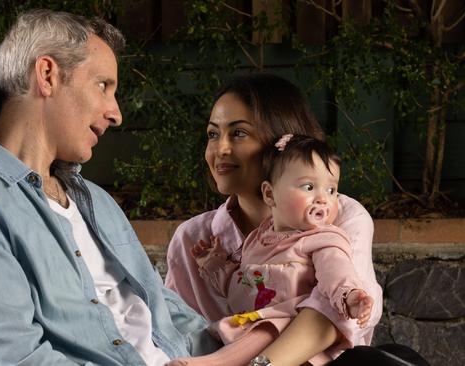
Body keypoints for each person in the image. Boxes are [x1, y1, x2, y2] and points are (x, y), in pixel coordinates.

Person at [0, 9, 218, 365]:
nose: (117, 113)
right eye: (103, 85)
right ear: (47, 75)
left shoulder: (98, 202)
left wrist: (236, 341)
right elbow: (21, 358)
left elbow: (163, 310)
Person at [164, 74, 385, 366]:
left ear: (280, 142)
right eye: (213, 134)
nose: (220, 149)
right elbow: (175, 329)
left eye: (238, 133)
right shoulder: (193, 238)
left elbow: (342, 309)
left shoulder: (340, 215)